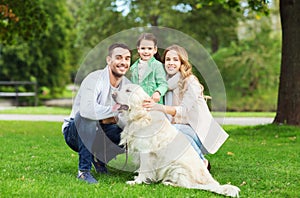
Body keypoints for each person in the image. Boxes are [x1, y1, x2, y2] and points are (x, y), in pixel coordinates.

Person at [143, 44, 229, 170]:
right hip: (182, 130)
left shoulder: (190, 81)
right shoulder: (164, 84)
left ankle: (202, 162)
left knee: (173, 129)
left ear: (182, 62)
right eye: (168, 59)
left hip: (199, 133)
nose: (171, 63)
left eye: (175, 60)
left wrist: (158, 107)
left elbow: (183, 111)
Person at [62, 43, 131, 184]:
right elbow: (87, 111)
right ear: (108, 60)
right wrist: (115, 111)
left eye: (127, 58)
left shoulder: (127, 85)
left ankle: (100, 158)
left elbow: (127, 117)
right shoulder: (94, 79)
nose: (123, 62)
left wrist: (112, 118)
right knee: (87, 117)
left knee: (130, 132)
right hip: (75, 131)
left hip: (102, 130)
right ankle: (83, 172)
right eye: (118, 58)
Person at [130, 33, 168, 104]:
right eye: (143, 48)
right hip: (138, 105)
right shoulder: (133, 68)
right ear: (138, 49)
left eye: (149, 48)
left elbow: (163, 84)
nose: (146, 51)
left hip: (154, 105)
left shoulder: (157, 65)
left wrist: (158, 92)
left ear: (155, 50)